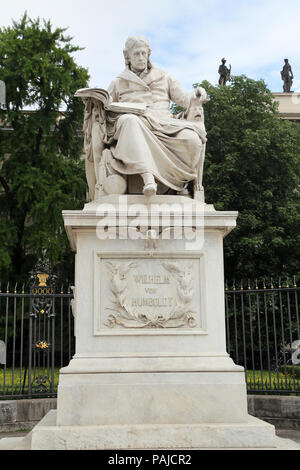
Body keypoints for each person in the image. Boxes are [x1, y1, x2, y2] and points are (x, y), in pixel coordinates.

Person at [105, 36, 208, 197]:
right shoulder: (118, 82)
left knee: (192, 139)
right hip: (136, 124)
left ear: (148, 54)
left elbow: (185, 99)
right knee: (129, 120)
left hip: (165, 124)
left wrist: (197, 93)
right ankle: (148, 178)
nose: (140, 58)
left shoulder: (164, 77)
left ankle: (179, 184)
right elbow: (106, 107)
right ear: (127, 56)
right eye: (136, 54)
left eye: (143, 53)